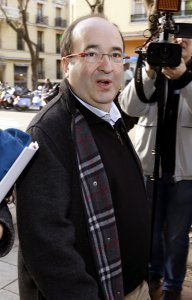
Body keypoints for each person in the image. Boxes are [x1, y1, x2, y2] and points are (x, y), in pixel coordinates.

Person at [16, 15, 151, 300]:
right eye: (91, 53)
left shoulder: (111, 114)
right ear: (67, 65)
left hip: (134, 286)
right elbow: (47, 248)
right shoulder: (50, 131)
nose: (107, 65)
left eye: (116, 54)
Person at [119, 37, 192, 300]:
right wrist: (150, 72)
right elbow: (130, 106)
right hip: (148, 167)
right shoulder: (151, 72)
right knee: (150, 231)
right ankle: (153, 273)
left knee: (177, 236)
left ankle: (173, 287)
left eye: (186, 37)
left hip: (185, 174)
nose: (180, 42)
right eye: (174, 37)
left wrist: (185, 78)